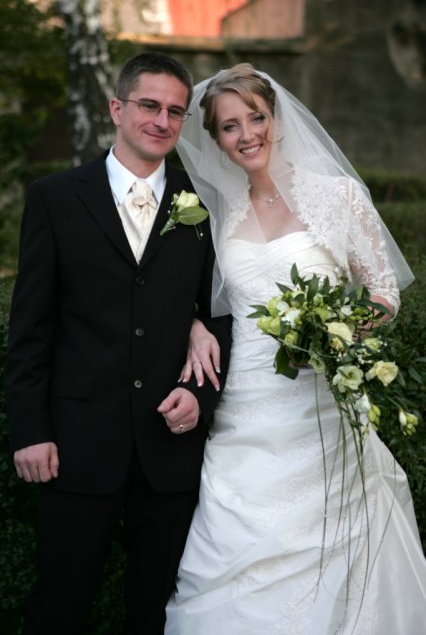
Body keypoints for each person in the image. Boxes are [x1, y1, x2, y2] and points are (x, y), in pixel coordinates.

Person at [165, 63, 426, 634]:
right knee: (233, 543)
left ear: (276, 118)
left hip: (322, 403)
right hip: (244, 406)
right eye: (229, 126)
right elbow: (195, 296)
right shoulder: (218, 212)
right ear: (216, 141)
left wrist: (333, 333)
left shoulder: (337, 196)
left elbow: (383, 293)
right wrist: (194, 325)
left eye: (255, 117)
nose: (246, 134)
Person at [5, 52, 231, 635]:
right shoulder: (55, 197)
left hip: (170, 445)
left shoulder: (206, 202)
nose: (162, 121)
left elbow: (224, 316)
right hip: (78, 440)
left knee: (156, 611)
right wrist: (30, 430)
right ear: (117, 108)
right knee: (58, 603)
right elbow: (31, 326)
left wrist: (199, 395)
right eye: (149, 105)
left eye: (175, 111)